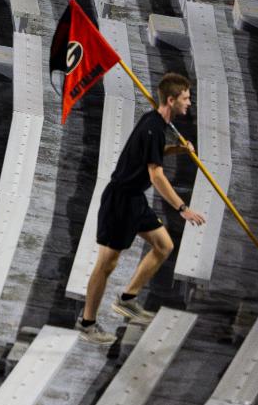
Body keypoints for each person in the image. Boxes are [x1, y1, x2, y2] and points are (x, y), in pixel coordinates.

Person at [79, 73, 206, 344]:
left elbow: (153, 152)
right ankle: (88, 324)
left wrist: (177, 150)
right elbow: (156, 175)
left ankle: (127, 299)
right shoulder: (152, 127)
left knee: (163, 246)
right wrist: (183, 208)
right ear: (171, 100)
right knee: (106, 264)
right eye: (186, 98)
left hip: (135, 199)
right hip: (120, 201)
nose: (189, 103)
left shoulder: (157, 125)